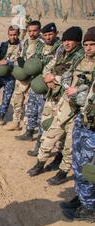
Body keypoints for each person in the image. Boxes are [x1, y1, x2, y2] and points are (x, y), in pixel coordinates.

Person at [28, 26, 87, 186]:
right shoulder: (62, 51)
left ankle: (61, 168)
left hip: (74, 105)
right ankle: (40, 162)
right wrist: (48, 77)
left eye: (71, 40)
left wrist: (55, 78)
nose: (67, 43)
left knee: (67, 140)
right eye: (65, 40)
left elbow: (72, 78)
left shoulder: (80, 56)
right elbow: (51, 67)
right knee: (49, 128)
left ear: (77, 41)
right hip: (57, 98)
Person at [62, 27, 95, 221]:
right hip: (83, 121)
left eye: (92, 44)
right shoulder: (80, 61)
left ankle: (89, 209)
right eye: (87, 44)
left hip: (93, 128)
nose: (89, 48)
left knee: (90, 169)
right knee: (78, 163)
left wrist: (78, 93)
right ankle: (82, 197)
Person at [18, 23, 61, 146]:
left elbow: (57, 66)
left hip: (48, 85)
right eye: (45, 35)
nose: (48, 37)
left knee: (43, 115)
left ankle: (39, 142)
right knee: (31, 109)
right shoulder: (40, 46)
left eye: (50, 34)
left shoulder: (59, 48)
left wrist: (51, 77)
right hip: (36, 82)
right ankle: (29, 132)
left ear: (56, 33)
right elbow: (35, 60)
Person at [4, 20, 41, 131]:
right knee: (17, 99)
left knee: (29, 103)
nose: (32, 33)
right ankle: (16, 122)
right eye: (30, 31)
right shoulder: (25, 42)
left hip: (34, 78)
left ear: (39, 30)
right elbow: (19, 55)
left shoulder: (42, 44)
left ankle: (27, 126)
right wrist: (18, 62)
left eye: (35, 31)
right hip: (22, 77)